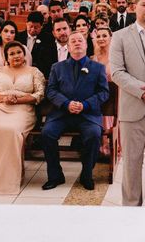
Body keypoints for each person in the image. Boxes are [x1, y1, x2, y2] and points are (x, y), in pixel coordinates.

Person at [110, 0, 145, 206]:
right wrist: (144, 91)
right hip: (132, 108)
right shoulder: (120, 36)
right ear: (134, 7)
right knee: (132, 162)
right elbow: (116, 72)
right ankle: (131, 207)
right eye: (144, 5)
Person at [41, 32, 109, 191]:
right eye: (73, 41)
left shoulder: (98, 68)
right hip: (62, 113)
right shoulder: (57, 67)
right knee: (47, 133)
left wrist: (85, 105)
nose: (77, 43)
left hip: (88, 114)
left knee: (93, 134)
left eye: (81, 40)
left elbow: (104, 92)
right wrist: (66, 103)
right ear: (69, 47)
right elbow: (51, 91)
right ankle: (55, 175)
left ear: (86, 45)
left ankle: (86, 174)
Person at [0, 41, 45, 194]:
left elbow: (39, 94)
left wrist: (18, 99)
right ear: (6, 57)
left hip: (23, 110)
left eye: (18, 52)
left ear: (24, 54)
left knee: (11, 130)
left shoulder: (34, 72)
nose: (16, 56)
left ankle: (11, 177)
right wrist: (3, 99)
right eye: (11, 54)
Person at [91, 26, 116, 156]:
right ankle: (99, 147)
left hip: (113, 97)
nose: (101, 38)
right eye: (98, 36)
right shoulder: (93, 57)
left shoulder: (116, 56)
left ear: (110, 38)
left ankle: (110, 148)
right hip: (98, 97)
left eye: (104, 36)